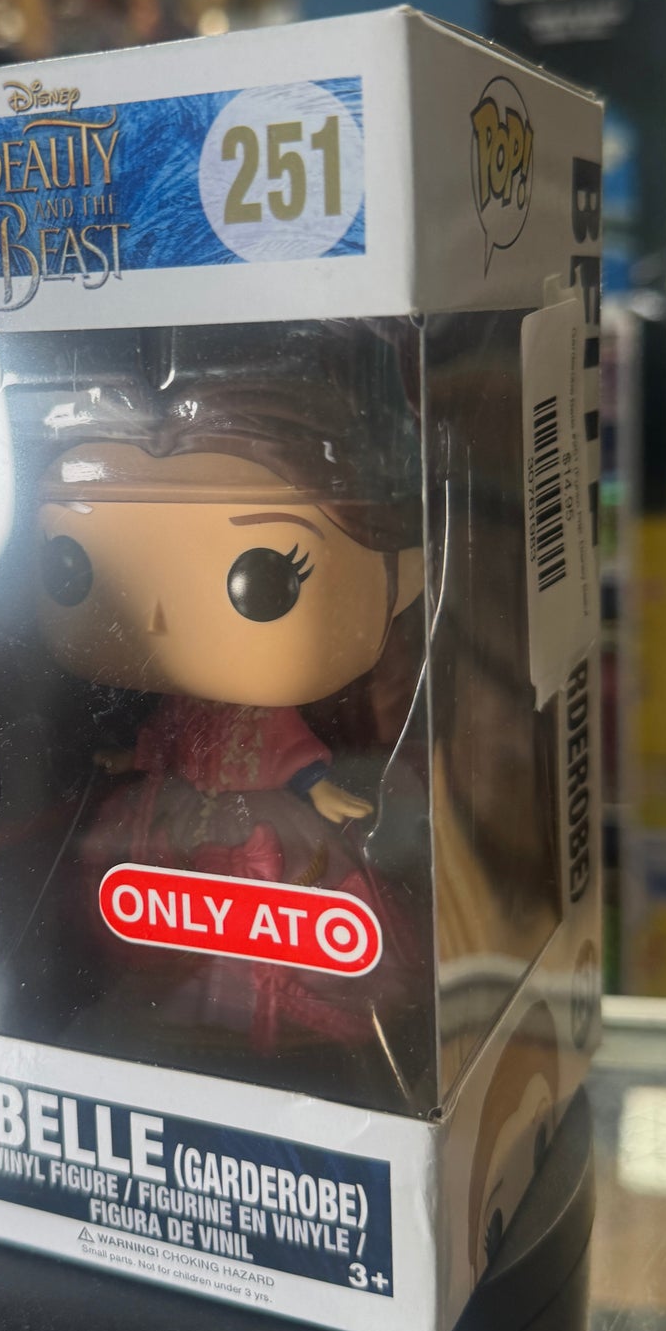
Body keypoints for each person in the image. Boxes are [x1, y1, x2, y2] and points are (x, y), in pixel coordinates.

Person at [33, 362, 424, 1062]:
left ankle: (258, 1014)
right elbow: (167, 738)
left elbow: (289, 748)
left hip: (256, 827)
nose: (156, 617)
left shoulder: (264, 711)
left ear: (410, 573)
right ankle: (176, 1001)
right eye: (73, 561)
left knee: (261, 912)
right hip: (172, 814)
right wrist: (132, 757)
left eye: (264, 578)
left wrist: (317, 786)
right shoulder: (184, 703)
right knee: (153, 910)